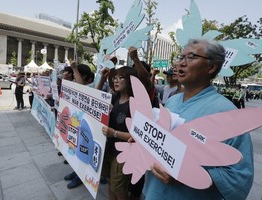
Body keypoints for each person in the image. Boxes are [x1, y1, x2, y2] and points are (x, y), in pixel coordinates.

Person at [143, 38, 254, 200]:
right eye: (181, 57)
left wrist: (189, 176)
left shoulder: (226, 112)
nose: (181, 63)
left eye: (191, 57)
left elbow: (240, 176)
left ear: (211, 66)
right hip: (154, 192)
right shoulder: (173, 101)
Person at [101, 65, 138, 200]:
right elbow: (94, 96)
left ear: (130, 81)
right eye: (115, 78)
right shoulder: (115, 98)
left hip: (123, 155)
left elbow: (137, 136)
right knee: (110, 184)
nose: (116, 81)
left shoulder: (134, 104)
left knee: (119, 189)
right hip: (110, 150)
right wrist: (103, 78)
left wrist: (114, 133)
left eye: (120, 78)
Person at [63, 62, 95, 189]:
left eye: (77, 74)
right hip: (77, 124)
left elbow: (82, 90)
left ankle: (80, 177)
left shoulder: (91, 87)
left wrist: (74, 68)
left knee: (83, 153)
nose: (75, 77)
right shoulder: (75, 85)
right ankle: (75, 171)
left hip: (87, 130)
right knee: (75, 150)